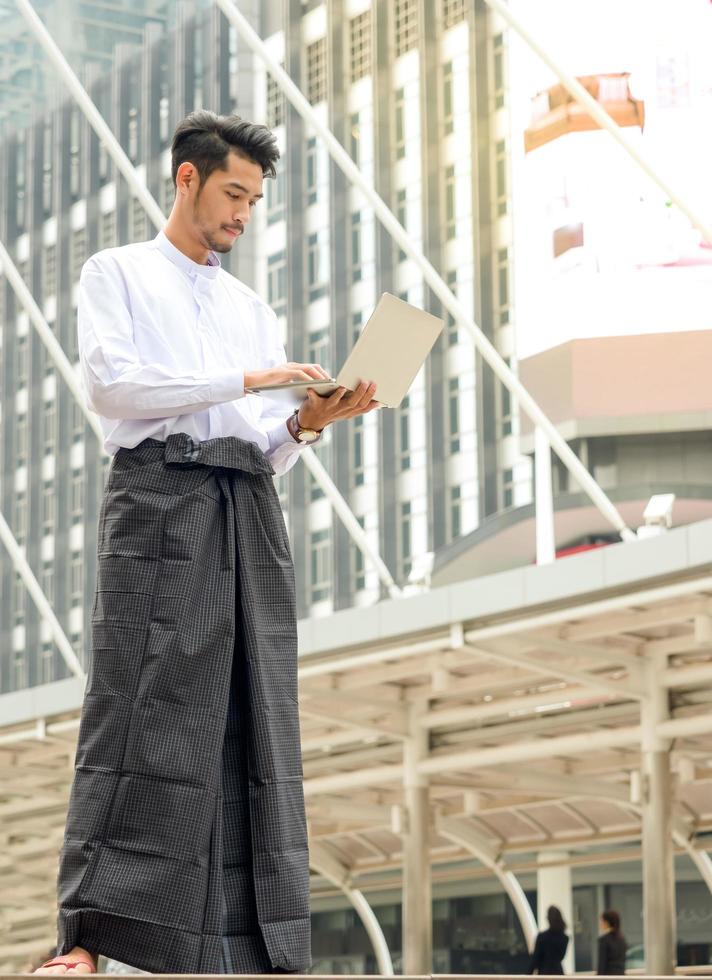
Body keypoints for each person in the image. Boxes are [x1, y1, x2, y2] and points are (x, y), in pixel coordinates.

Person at [34, 110, 379, 976]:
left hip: (246, 505)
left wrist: (304, 422)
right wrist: (250, 378)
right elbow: (114, 389)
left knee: (250, 717)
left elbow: (260, 446)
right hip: (157, 499)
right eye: (233, 193)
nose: (242, 215)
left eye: (254, 202)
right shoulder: (115, 272)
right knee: (139, 705)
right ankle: (88, 939)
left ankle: (245, 945)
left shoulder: (249, 306)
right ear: (187, 179)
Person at [528, 905, 569, 975]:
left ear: (548, 919)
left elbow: (535, 960)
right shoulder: (564, 938)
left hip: (544, 974)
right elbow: (560, 957)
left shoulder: (542, 937)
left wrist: (527, 975)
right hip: (558, 974)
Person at [597, 909, 627, 975]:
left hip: (608, 977)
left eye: (602, 921)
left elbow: (601, 965)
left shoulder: (604, 940)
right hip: (621, 976)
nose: (600, 923)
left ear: (607, 922)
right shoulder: (622, 939)